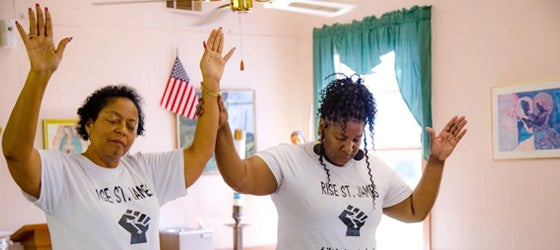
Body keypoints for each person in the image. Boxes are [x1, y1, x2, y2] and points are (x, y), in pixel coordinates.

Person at [2, 4, 234, 250]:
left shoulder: (145, 170)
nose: (122, 129)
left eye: (131, 125)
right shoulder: (64, 173)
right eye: (112, 120)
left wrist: (211, 83)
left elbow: (200, 152)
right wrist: (40, 73)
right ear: (89, 125)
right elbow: (15, 154)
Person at [214, 75, 467, 249]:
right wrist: (223, 128)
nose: (349, 147)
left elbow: (415, 210)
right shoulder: (289, 161)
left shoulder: (375, 170)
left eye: (357, 139)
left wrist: (436, 161)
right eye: (341, 137)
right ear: (323, 126)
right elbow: (240, 177)